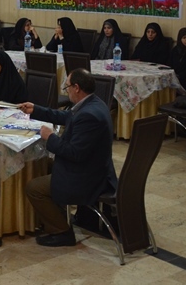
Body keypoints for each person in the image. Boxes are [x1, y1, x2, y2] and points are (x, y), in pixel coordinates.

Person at [19, 68, 117, 247]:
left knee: (34, 188)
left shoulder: (89, 115)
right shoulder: (93, 103)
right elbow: (66, 116)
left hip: (87, 177)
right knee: (42, 164)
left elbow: (74, 153)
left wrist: (50, 138)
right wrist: (36, 110)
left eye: (67, 87)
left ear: (77, 88)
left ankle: (61, 231)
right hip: (92, 166)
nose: (67, 91)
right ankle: (55, 215)